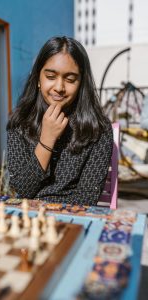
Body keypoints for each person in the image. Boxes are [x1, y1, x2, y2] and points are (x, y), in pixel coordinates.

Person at [7, 36, 113, 206]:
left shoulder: (98, 129)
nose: (59, 87)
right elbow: (22, 189)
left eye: (70, 79)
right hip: (30, 217)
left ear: (81, 83)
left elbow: (88, 197)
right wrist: (47, 140)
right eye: (50, 76)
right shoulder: (20, 122)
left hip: (73, 218)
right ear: (38, 79)